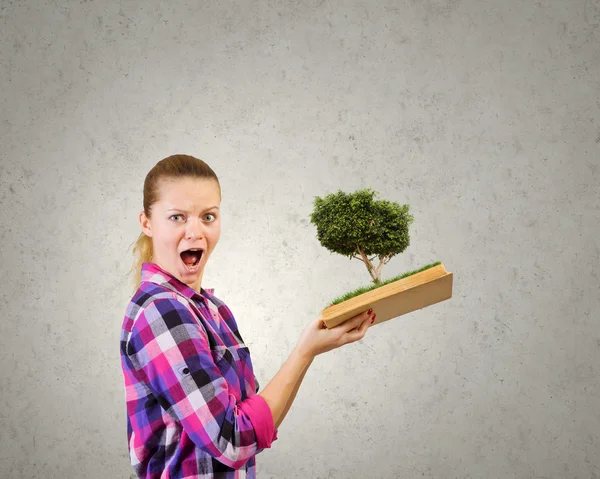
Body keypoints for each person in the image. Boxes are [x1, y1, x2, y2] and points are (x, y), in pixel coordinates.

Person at [119, 154, 376, 479]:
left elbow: (251, 420)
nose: (195, 232)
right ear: (146, 223)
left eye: (208, 216)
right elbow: (233, 439)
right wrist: (304, 352)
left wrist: (309, 352)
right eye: (177, 218)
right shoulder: (161, 310)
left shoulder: (216, 310)